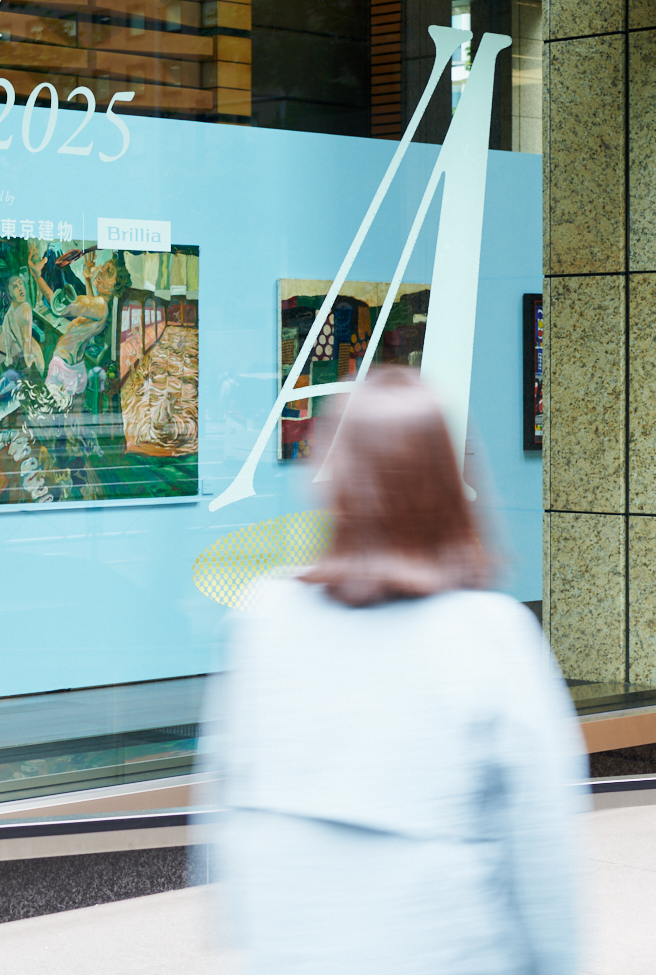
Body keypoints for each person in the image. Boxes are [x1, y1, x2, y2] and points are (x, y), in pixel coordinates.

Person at [207, 368, 587, 975]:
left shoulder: (265, 618)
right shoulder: (490, 635)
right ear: (444, 484)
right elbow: (543, 855)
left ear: (337, 480)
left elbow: (229, 813)